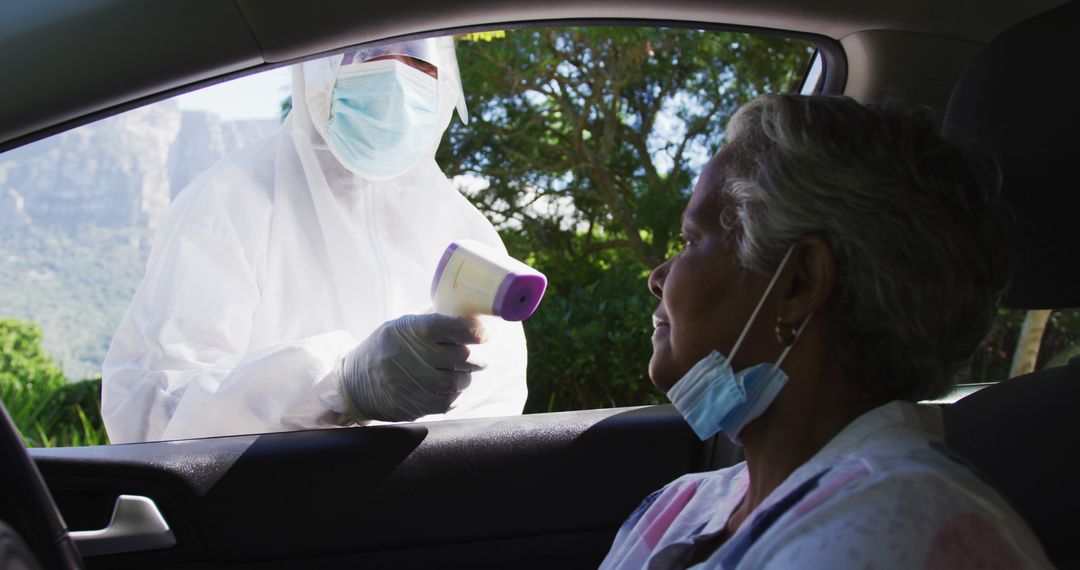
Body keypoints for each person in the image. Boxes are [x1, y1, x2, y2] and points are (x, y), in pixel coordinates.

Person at [600, 94, 1053, 568]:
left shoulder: (890, 535)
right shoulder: (685, 503)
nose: (658, 277)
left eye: (691, 240)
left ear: (799, 283)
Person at [101, 37, 528, 444]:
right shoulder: (228, 202)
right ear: (318, 65)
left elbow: (499, 406)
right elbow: (154, 417)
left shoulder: (464, 226)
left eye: (419, 59)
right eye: (371, 54)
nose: (397, 76)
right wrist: (339, 384)